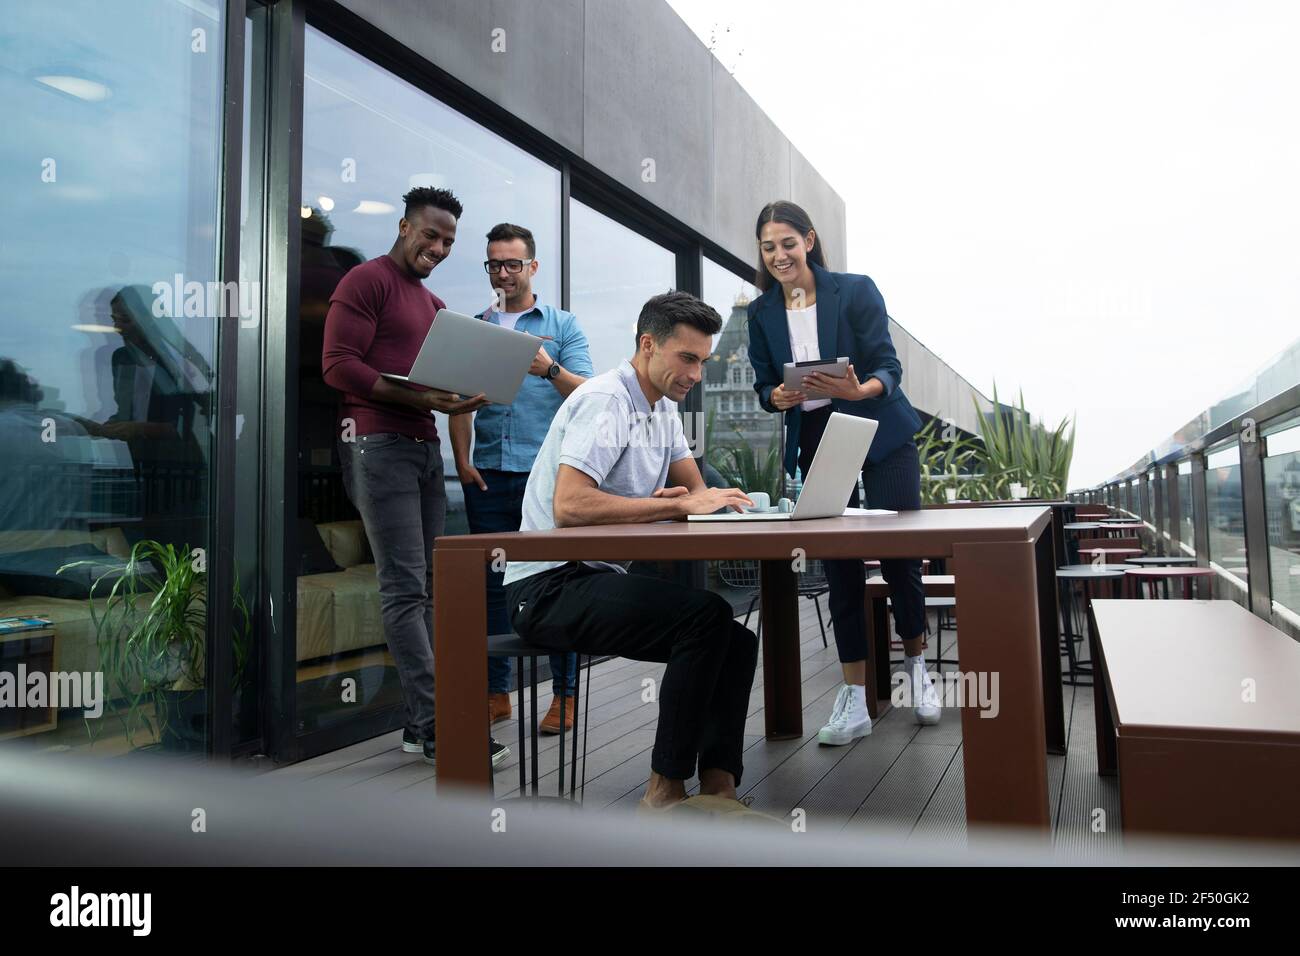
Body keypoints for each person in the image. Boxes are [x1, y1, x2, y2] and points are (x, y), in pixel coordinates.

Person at [502, 292, 759, 810]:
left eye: (703, 362)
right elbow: (569, 506)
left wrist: (732, 503)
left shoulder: (662, 410)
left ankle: (719, 787)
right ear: (648, 345)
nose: (696, 375)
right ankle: (662, 792)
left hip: (590, 577)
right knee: (705, 618)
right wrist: (668, 507)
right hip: (546, 587)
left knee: (737, 640)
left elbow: (691, 491)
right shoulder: (607, 400)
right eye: (687, 359)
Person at [322, 186, 509, 769]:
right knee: (405, 590)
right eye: (430, 234)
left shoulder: (431, 305)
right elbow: (338, 365)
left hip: (425, 447)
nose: (438, 246)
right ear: (404, 226)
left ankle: (415, 725)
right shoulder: (365, 280)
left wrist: (459, 398)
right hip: (377, 444)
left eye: (449, 240)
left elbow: (440, 383)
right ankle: (441, 728)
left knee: (429, 589)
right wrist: (425, 396)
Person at [746, 200, 940, 745]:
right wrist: (775, 395)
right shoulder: (761, 314)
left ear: (808, 241)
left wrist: (860, 390)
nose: (779, 255)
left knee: (903, 559)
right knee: (841, 568)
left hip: (882, 436)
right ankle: (854, 697)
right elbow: (764, 386)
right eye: (768, 247)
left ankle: (918, 674)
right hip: (817, 441)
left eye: (787, 242)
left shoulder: (854, 291)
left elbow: (889, 365)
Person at [449, 222, 594, 733]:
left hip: (546, 478)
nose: (503, 273)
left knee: (557, 585)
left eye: (513, 263)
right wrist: (463, 461)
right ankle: (496, 693)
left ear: (533, 267)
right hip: (487, 474)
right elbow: (456, 401)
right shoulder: (475, 326)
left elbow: (587, 396)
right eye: (494, 264)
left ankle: (565, 695)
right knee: (491, 589)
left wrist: (549, 368)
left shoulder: (562, 326)